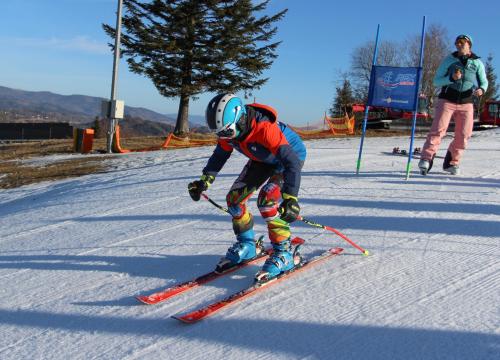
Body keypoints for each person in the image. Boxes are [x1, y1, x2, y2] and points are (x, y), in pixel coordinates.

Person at [188, 94, 306, 281]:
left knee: (268, 202)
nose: (223, 137)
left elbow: (291, 162)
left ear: (240, 120)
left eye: (226, 133)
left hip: (288, 159)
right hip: (263, 158)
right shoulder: (229, 130)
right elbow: (220, 155)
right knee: (234, 200)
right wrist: (205, 181)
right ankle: (248, 245)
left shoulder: (265, 129)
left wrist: (291, 197)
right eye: (218, 133)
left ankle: (284, 253)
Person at [418, 34, 488, 175]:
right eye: (457, 42)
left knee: (464, 135)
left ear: (469, 45)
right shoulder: (449, 60)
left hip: (466, 102)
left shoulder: (477, 63)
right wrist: (451, 78)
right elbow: (436, 81)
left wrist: (481, 89)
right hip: (447, 100)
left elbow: (484, 81)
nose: (459, 45)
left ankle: (452, 162)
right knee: (438, 130)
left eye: (462, 42)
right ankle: (426, 158)